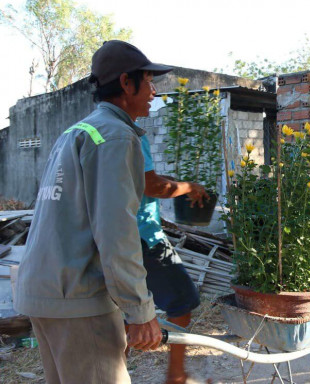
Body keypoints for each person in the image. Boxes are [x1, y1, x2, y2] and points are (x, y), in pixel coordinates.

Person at [14, 40, 172, 383]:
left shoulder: (77, 132)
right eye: (148, 81)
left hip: (46, 294)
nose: (154, 90)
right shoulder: (115, 137)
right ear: (126, 83)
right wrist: (140, 310)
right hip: (79, 300)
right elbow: (117, 231)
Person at [136, 130, 208, 384]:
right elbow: (151, 186)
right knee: (183, 300)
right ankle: (175, 375)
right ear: (125, 87)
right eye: (147, 86)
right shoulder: (131, 134)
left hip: (117, 236)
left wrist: (171, 181)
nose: (153, 91)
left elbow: (145, 178)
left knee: (121, 310)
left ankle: (117, 370)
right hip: (144, 236)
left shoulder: (99, 131)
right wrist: (188, 187)